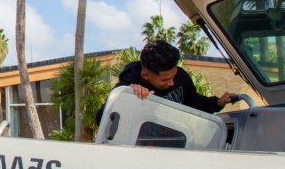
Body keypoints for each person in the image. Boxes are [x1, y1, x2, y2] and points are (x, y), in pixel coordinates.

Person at [95, 40, 238, 125]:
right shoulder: (126, 89)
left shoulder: (180, 75)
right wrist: (127, 97)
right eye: (165, 80)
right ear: (146, 76)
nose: (171, 83)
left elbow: (193, 102)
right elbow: (102, 120)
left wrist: (217, 103)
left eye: (173, 76)